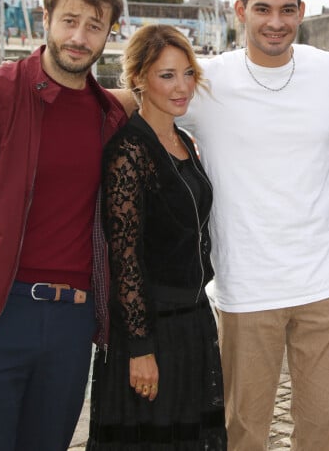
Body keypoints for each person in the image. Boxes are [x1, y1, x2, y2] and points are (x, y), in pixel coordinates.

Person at [177, 0, 329, 450]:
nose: (275, 22)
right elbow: (140, 101)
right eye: (262, 9)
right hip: (246, 286)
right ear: (241, 10)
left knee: (324, 429)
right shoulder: (205, 80)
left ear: (301, 10)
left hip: (328, 281)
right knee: (243, 432)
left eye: (286, 9)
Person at [0, 0, 126, 451]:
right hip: (1, 310)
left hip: (73, 320)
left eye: (94, 26)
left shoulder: (109, 115)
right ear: (45, 16)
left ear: (109, 33)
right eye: (69, 20)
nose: (79, 36)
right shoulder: (0, 93)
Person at [87, 25, 227, 450]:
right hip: (151, 328)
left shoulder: (181, 139)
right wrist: (140, 349)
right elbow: (124, 258)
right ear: (139, 79)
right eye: (167, 75)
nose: (182, 86)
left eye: (187, 73)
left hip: (192, 322)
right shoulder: (130, 150)